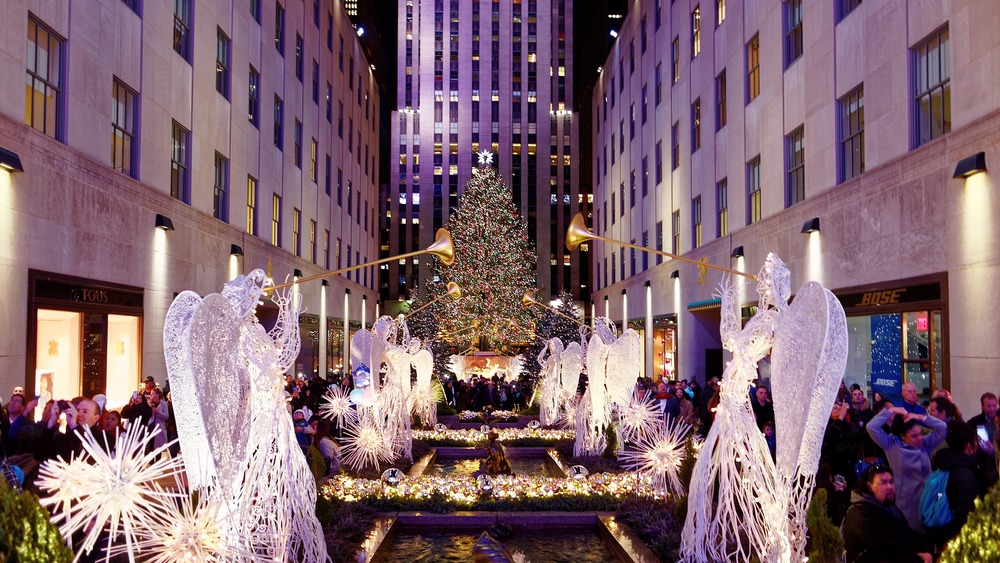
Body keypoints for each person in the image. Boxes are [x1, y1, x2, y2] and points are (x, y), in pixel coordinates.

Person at [866, 405, 947, 533]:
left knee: (930, 534)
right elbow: (871, 427)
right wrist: (891, 411)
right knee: (909, 535)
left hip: (928, 498)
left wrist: (921, 417)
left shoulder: (925, 444)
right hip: (905, 501)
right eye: (914, 436)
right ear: (902, 436)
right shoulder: (892, 444)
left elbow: (943, 429)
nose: (920, 438)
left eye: (920, 433)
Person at [841, 464, 933, 563]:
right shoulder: (860, 513)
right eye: (883, 482)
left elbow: (907, 532)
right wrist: (919, 560)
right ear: (869, 486)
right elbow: (887, 549)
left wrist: (926, 552)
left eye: (891, 481)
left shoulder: (887, 506)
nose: (889, 487)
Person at [926, 422, 987, 546]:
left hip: (943, 528)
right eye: (976, 440)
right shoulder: (964, 473)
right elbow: (967, 511)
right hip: (956, 533)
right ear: (969, 446)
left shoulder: (945, 462)